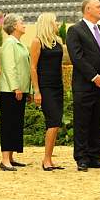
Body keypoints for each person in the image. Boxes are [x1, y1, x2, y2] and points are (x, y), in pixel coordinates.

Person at [66, 0, 100, 172]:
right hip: (85, 85)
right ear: (88, 9)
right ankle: (81, 157)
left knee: (99, 121)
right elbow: (77, 58)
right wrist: (95, 77)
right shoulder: (75, 30)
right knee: (82, 121)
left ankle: (95, 156)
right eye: (98, 7)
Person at [30, 12, 65, 171]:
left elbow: (59, 66)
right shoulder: (37, 42)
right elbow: (33, 67)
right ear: (48, 23)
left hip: (57, 86)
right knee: (53, 122)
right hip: (45, 86)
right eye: (55, 21)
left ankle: (49, 159)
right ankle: (46, 160)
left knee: (56, 123)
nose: (57, 23)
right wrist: (36, 90)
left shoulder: (58, 41)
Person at [0, 14, 32, 171]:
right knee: (8, 124)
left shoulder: (20, 44)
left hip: (21, 90)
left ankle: (10, 157)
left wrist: (28, 89)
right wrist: (15, 87)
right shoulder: (9, 44)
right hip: (10, 91)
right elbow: (9, 67)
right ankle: (5, 160)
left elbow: (27, 69)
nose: (24, 24)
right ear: (13, 26)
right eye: (21, 22)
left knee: (16, 124)